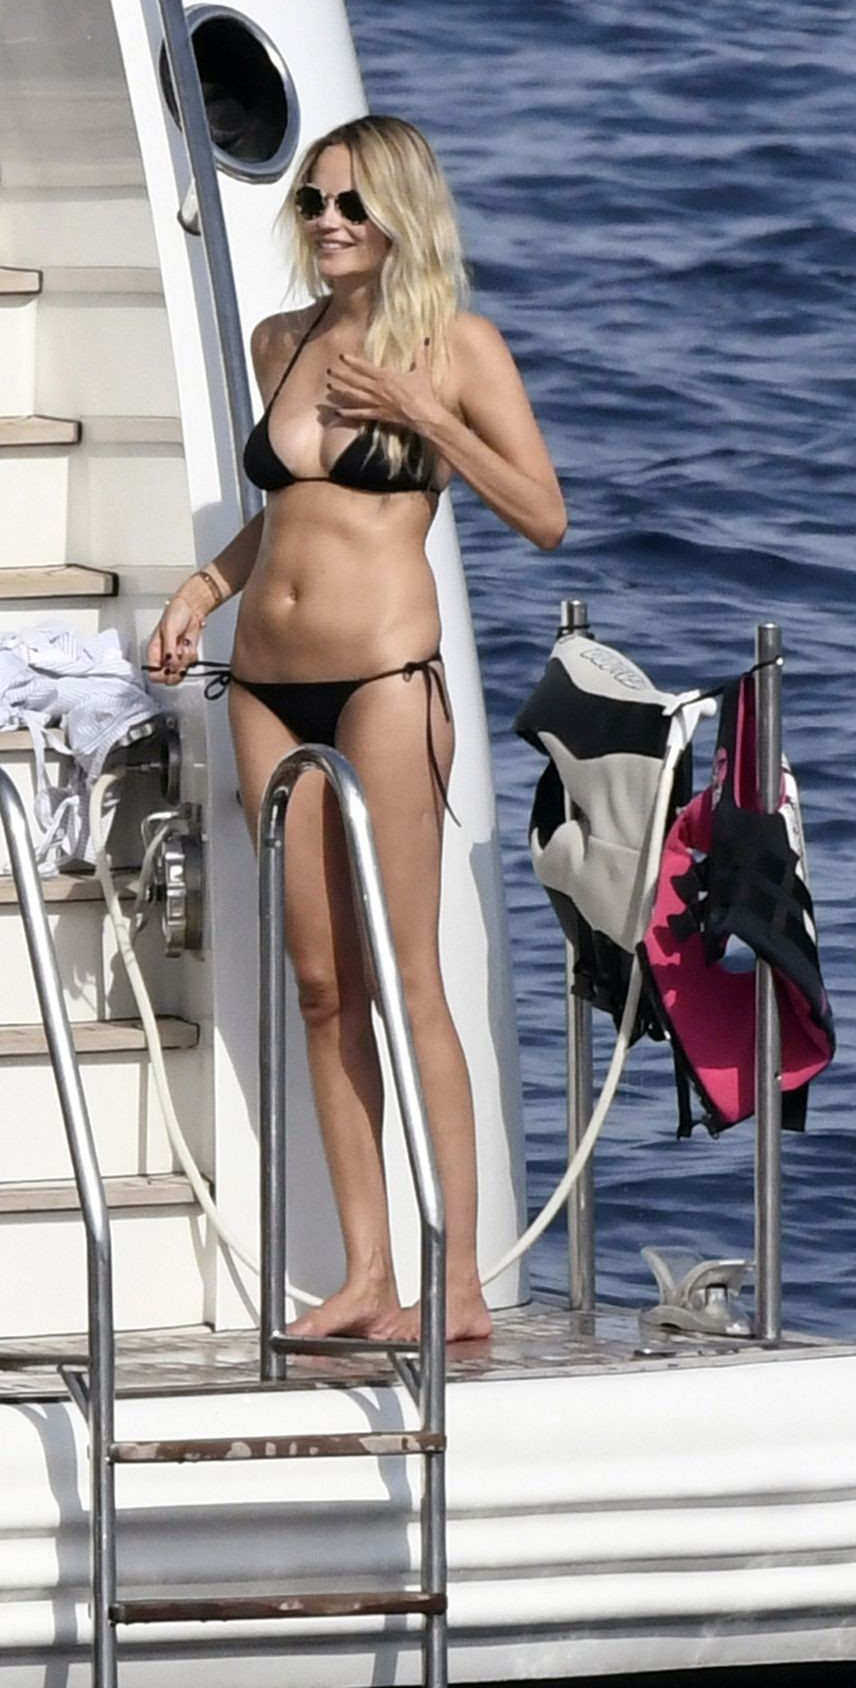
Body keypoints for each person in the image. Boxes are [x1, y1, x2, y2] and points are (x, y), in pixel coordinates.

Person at [148, 115, 566, 1342]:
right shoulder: (280, 342)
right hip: (265, 685)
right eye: (312, 203)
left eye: (350, 204)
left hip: (385, 679)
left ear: (398, 215)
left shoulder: (457, 348)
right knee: (324, 987)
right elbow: (287, 513)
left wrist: (424, 415)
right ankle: (366, 1274)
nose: (327, 223)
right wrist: (204, 588)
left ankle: (461, 1282)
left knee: (405, 980)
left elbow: (542, 514)